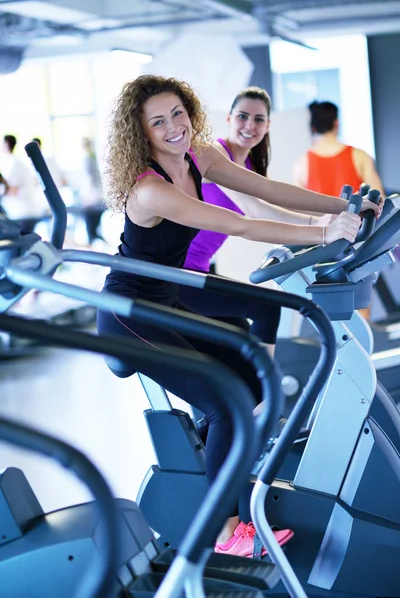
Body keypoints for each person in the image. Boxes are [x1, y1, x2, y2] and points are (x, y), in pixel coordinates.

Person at [97, 75, 377, 559]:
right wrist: (322, 235)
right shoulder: (147, 191)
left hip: (170, 301)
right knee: (225, 402)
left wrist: (346, 207)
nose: (173, 128)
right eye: (158, 122)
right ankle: (226, 534)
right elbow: (238, 223)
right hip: (131, 314)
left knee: (252, 381)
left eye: (178, 114)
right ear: (140, 132)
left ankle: (213, 470)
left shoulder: (200, 156)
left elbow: (265, 188)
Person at [181, 87, 338, 358]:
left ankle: (252, 394)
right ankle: (268, 395)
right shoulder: (214, 155)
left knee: (241, 334)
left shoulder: (248, 166)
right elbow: (254, 210)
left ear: (268, 125)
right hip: (181, 273)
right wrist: (319, 227)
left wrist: (324, 219)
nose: (250, 125)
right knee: (266, 310)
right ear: (229, 118)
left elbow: (276, 198)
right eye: (243, 116)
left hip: (198, 269)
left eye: (258, 119)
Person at [293, 101, 385, 197]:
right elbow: (379, 198)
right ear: (336, 123)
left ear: (313, 128)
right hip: (354, 212)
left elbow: (297, 205)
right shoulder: (360, 156)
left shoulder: (301, 163)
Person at [1, 134, 40, 231]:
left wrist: (2, 194)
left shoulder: (13, 164)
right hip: (26, 212)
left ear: (6, 144)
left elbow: (12, 189)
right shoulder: (14, 163)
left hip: (24, 214)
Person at [80, 137, 105, 244]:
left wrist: (87, 196)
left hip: (92, 195)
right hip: (97, 193)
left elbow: (89, 178)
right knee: (95, 225)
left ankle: (92, 241)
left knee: (91, 224)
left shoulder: (88, 158)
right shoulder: (92, 156)